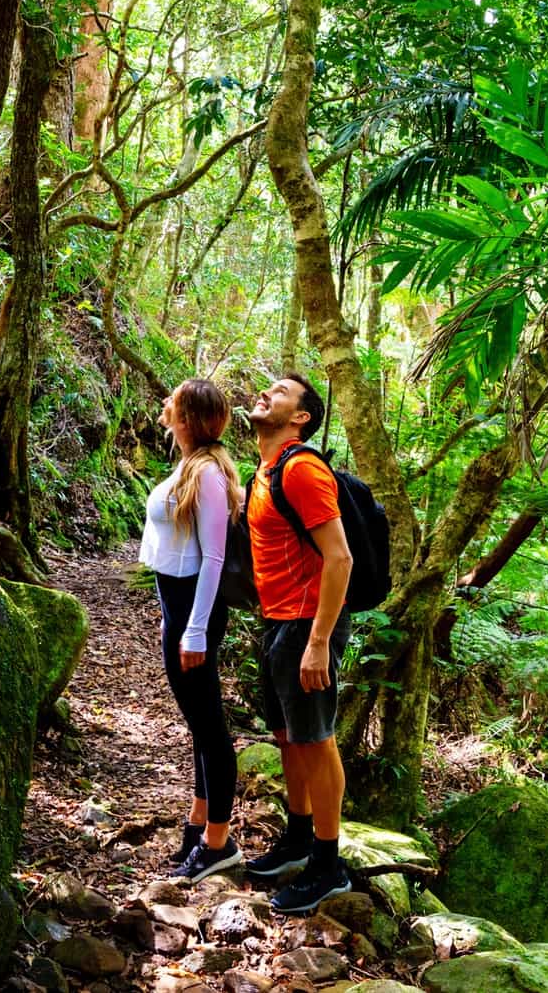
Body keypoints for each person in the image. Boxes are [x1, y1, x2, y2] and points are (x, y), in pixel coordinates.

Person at [239, 374, 357, 913]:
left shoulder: (303, 468)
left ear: (301, 416)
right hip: (279, 622)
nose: (266, 392)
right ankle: (298, 837)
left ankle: (328, 866)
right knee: (289, 736)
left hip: (309, 624)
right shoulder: (264, 471)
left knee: (315, 739)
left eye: (280, 391)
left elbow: (340, 558)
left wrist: (319, 642)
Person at [139, 377, 246, 881]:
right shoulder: (190, 464)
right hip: (178, 607)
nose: (165, 402)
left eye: (174, 400)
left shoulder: (205, 473)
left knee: (209, 727)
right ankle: (199, 823)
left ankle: (218, 843)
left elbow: (214, 557)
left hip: (192, 610)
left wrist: (195, 629)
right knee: (199, 725)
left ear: (187, 417)